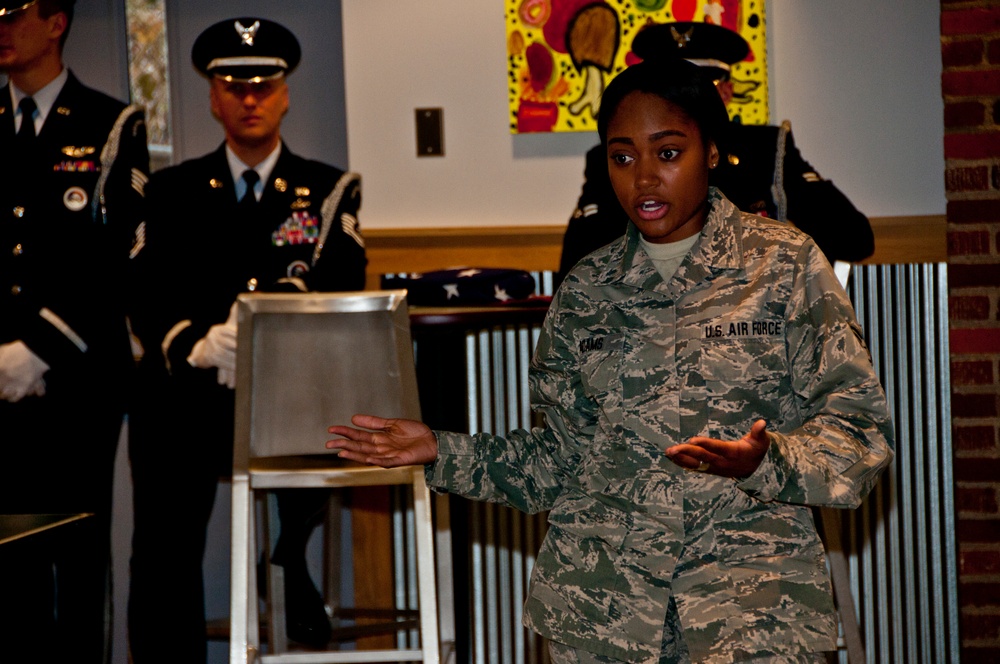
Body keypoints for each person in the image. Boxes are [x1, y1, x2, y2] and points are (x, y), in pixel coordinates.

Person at [328, 58, 895, 663]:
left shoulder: (784, 265)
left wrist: (767, 459)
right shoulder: (587, 288)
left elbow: (859, 435)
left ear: (712, 153)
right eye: (622, 158)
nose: (644, 178)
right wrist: (443, 450)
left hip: (750, 609)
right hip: (602, 614)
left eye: (668, 153)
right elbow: (556, 463)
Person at [127, 17, 367, 661]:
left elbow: (341, 274)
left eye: (264, 84)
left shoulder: (327, 188)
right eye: (233, 84)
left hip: (285, 389)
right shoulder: (170, 190)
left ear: (285, 92)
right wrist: (194, 343)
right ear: (212, 97)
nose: (250, 98)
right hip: (188, 393)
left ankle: (288, 562)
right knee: (162, 538)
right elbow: (145, 285)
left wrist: (259, 322)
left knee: (333, 408)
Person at [0, 0, 149, 659]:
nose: (1, 29)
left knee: (79, 553)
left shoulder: (112, 122)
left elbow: (120, 252)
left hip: (79, 375)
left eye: (15, 13)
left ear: (56, 21)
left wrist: (38, 349)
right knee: (10, 561)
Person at [557, 20, 875, 288]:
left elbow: (854, 236)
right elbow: (578, 265)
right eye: (668, 90)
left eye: (698, 89)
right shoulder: (618, 157)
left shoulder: (766, 150)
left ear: (725, 91)